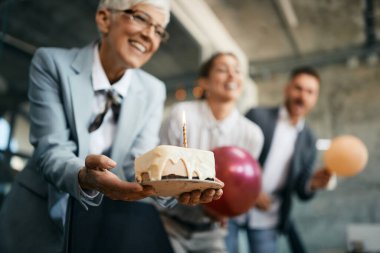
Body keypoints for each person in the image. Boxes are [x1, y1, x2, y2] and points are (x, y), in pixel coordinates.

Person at [0, 1, 222, 252]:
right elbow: (51, 150)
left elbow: (138, 162)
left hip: (100, 224)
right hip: (38, 216)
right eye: (140, 18)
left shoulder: (153, 90)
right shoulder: (51, 63)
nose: (150, 35)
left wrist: (172, 186)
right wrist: (85, 177)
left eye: (159, 30)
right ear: (105, 19)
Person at [159, 52, 264, 253]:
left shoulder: (252, 135)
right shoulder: (180, 115)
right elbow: (160, 172)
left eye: (237, 71)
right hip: (169, 225)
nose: (232, 76)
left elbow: (241, 188)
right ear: (204, 82)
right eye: (223, 70)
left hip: (212, 231)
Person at [226, 67, 332, 253]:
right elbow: (232, 157)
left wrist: (312, 184)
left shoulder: (309, 140)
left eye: (310, 92)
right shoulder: (257, 116)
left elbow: (301, 190)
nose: (302, 96)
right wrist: (252, 190)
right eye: (298, 88)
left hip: (268, 217)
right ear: (287, 89)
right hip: (233, 208)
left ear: (315, 98)